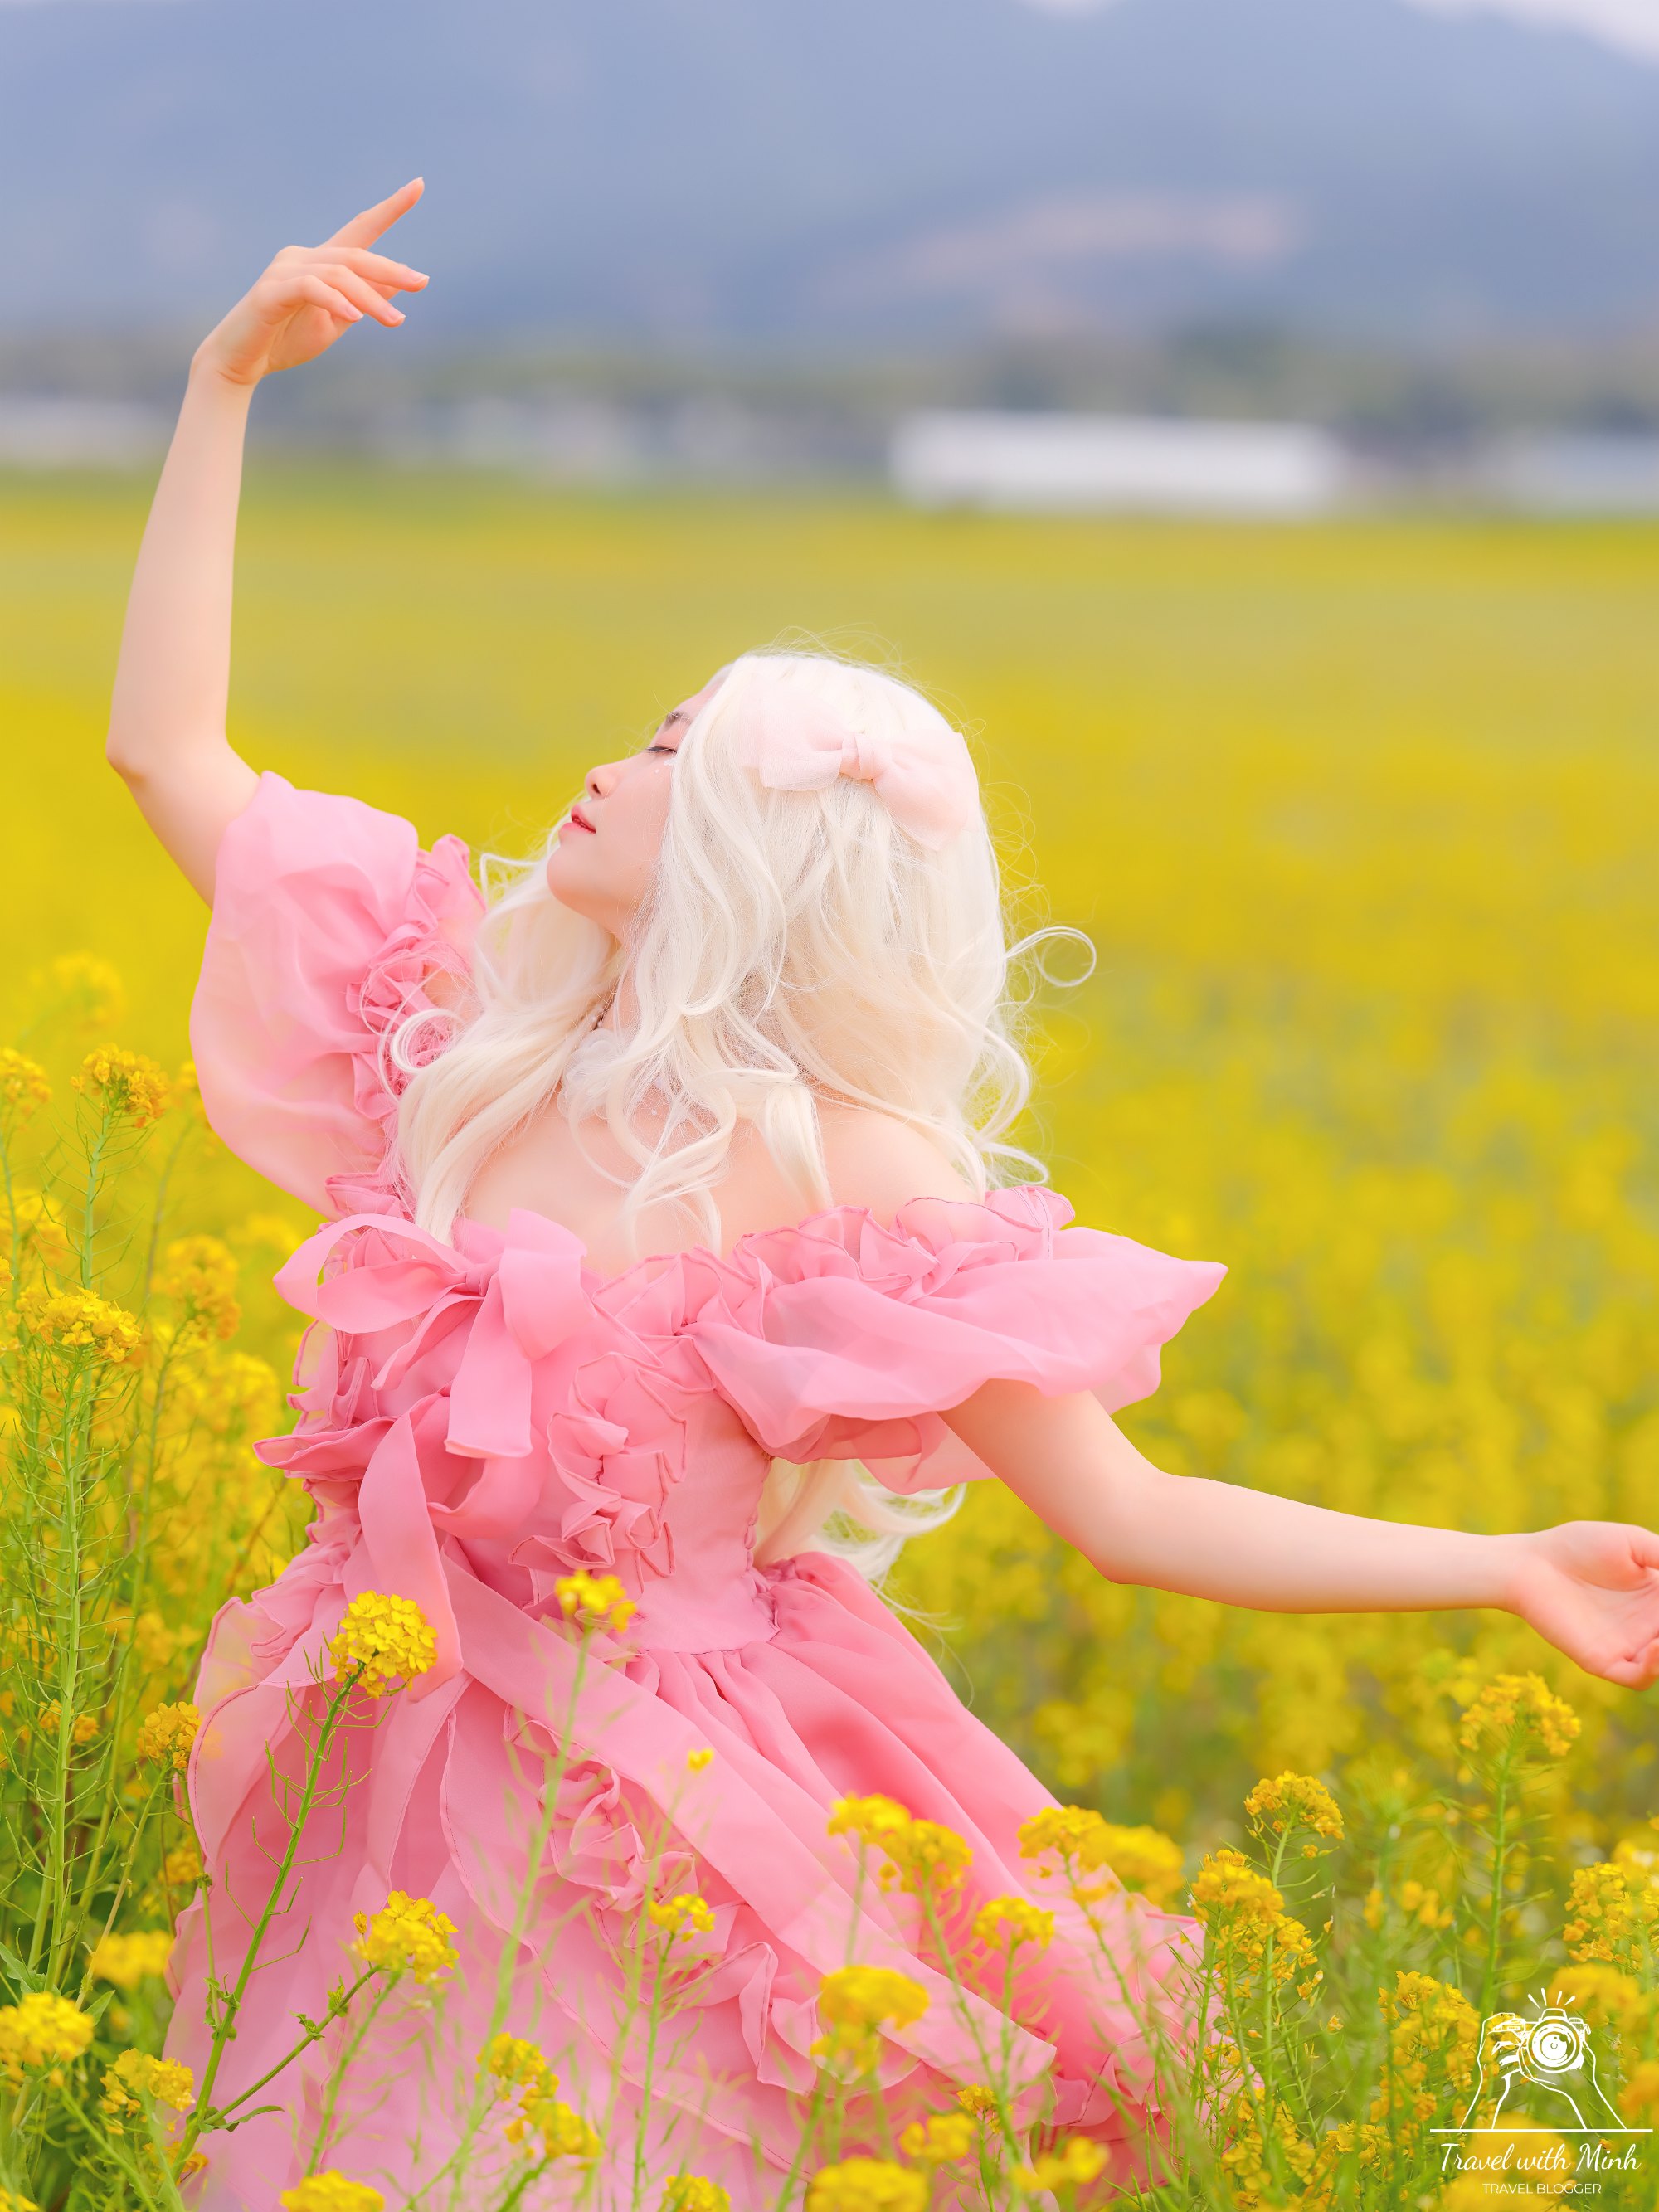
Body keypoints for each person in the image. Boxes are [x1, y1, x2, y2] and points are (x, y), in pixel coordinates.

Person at [106, 180, 1659, 2212]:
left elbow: (1131, 1511)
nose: (614, 764)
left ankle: (1559, 2120)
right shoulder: (452, 1024)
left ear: (765, 860)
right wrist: (223, 386)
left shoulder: (848, 1165)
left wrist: (1500, 1564)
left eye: (682, 756)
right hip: (384, 1773)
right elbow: (163, 750)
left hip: (669, 1814)